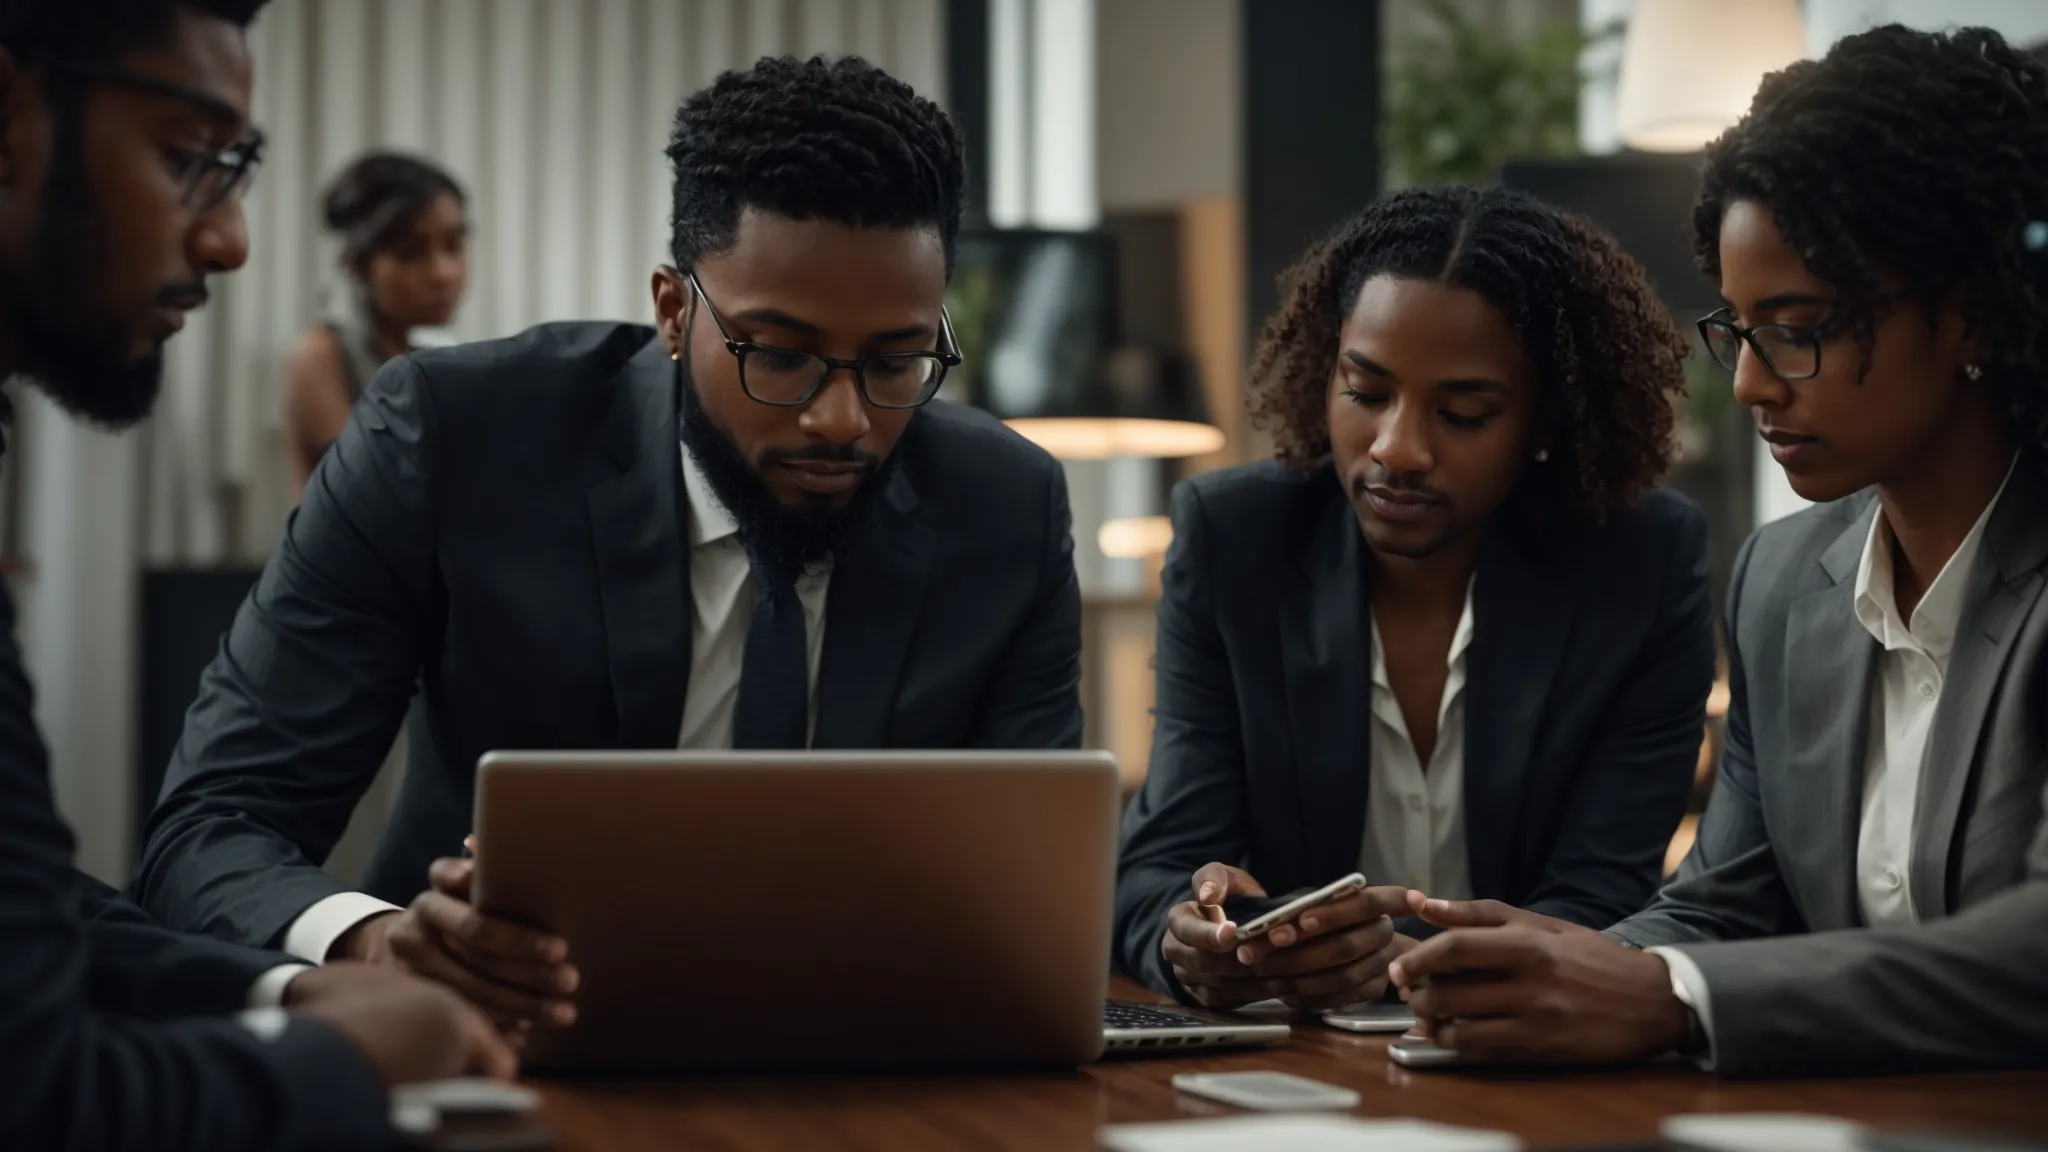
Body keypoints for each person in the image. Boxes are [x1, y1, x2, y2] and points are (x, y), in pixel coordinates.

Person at [135, 55, 1083, 1036]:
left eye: (895, 361)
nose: (839, 421)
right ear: (673, 311)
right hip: (494, 1048)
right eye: (780, 355)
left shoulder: (1003, 506)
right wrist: (378, 944)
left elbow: (1038, 900)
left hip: (869, 1058)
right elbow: (209, 830)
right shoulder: (453, 440)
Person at [1390, 24, 2048, 1078]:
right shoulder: (1784, 581)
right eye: (1737, 329)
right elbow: (1725, 904)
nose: (1747, 383)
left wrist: (1666, 993)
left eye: (1798, 327)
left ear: (1968, 316)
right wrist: (1539, 969)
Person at [0, 2, 513, 1148]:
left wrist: (284, 985)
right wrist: (343, 1060)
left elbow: (24, 916)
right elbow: (44, 1097)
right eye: (186, 159)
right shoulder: (348, 379)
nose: (229, 239)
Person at [1114, 184, 1714, 1011]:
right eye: (1365, 393)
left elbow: (1603, 898)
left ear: (1546, 422)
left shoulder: (1640, 564)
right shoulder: (1233, 540)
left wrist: (1388, 962)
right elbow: (1158, 868)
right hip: (1294, 1060)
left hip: (1531, 1060)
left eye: (1463, 413)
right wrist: (1192, 942)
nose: (1398, 449)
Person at [284, 152, 468, 497]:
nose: (444, 273)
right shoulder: (321, 355)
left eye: (454, 245)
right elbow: (372, 494)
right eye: (410, 253)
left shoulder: (432, 355)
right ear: (359, 265)